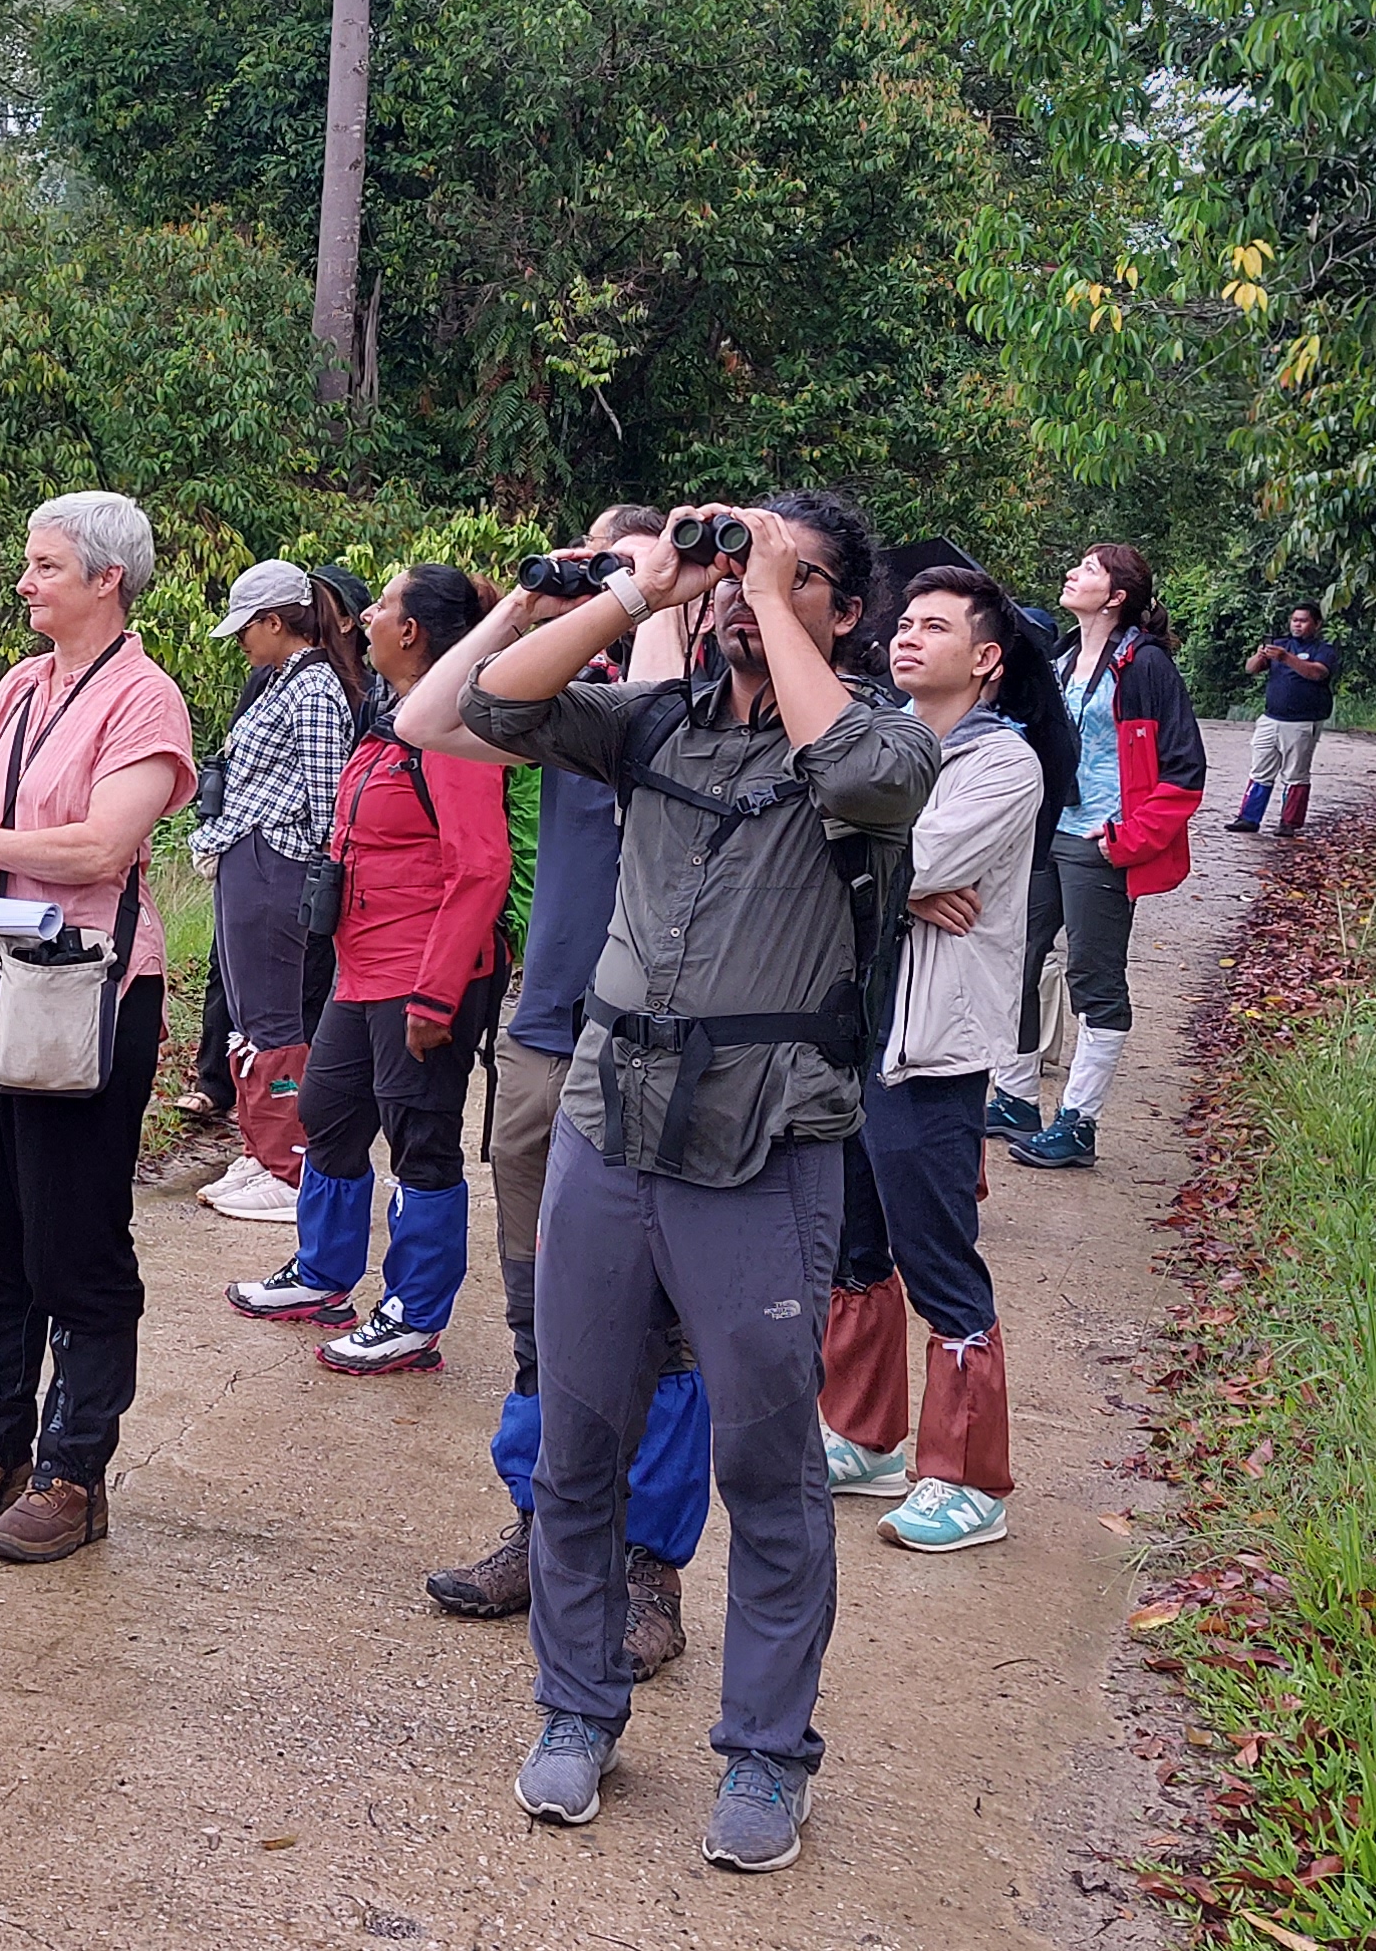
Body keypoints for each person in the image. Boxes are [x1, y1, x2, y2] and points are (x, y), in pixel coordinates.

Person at [462, 491, 940, 1877]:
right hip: (613, 1130)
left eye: (783, 573)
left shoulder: (881, 738)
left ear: (845, 613)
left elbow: (859, 779)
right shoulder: (655, 723)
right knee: (577, 1445)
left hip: (763, 1149)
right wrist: (647, 587)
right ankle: (575, 1710)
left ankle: (769, 1757)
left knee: (768, 1466)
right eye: (736, 567)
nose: (740, 587)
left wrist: (783, 589)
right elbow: (496, 703)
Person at [395, 507, 713, 1682]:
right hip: (544, 1041)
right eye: (599, 564)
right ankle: (540, 1528)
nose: (608, 581)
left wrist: (657, 597)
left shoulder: (707, 711)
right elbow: (425, 720)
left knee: (666, 1336)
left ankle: (647, 1571)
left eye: (622, 563)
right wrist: (534, 604)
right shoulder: (565, 708)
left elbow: (666, 720)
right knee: (539, 1317)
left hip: (672, 1057)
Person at [0, 490, 199, 1563]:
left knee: (73, 1234)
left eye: (46, 566)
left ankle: (73, 1470)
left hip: (81, 992)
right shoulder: (20, 686)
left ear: (107, 580)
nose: (24, 582)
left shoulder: (145, 702)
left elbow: (103, 847)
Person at [820, 562, 1070, 1558]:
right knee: (855, 1244)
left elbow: (903, 859)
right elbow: (833, 838)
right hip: (857, 1035)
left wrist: (893, 875)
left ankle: (966, 1478)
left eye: (934, 626)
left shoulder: (1001, 764)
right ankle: (864, 1434)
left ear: (986, 659)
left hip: (929, 1045)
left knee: (936, 1258)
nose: (907, 637)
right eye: (904, 623)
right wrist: (892, 876)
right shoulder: (886, 745)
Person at [226, 564, 514, 1371]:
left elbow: (482, 867)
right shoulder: (388, 717)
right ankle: (322, 1275)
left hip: (424, 971)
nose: (365, 619)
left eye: (382, 606)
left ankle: (415, 1316)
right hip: (363, 966)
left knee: (420, 1137)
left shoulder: (453, 728)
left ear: (413, 632)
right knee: (328, 1111)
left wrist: (438, 991)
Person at [991, 544, 1205, 1172]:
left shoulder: (1146, 668)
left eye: (1088, 569)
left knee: (1094, 981)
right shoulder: (1060, 661)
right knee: (1016, 961)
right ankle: (1016, 1098)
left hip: (1099, 844)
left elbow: (1185, 770)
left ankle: (1079, 1122)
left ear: (1116, 597)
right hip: (1048, 833)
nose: (1072, 574)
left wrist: (1125, 841)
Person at [186, 558, 367, 1224]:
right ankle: (262, 1149)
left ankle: (292, 1166)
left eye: (246, 629)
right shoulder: (279, 682)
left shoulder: (314, 690)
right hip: (246, 860)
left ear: (273, 621)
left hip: (277, 865)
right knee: (246, 1015)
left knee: (274, 1023)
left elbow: (329, 807)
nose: (241, 643)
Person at [1228, 603, 1340, 836]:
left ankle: (1289, 823)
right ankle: (1248, 818)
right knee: (1260, 770)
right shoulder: (1280, 644)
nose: (1297, 624)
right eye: (1294, 620)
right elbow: (1251, 669)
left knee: (1295, 774)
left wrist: (1286, 658)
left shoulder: (1324, 649)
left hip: (1302, 721)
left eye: (1303, 620)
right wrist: (1260, 656)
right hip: (1271, 717)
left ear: (1317, 624)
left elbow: (1317, 673)